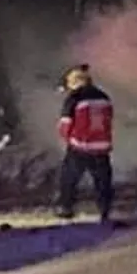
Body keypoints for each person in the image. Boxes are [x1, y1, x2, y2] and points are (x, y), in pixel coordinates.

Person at [55, 64, 115, 222]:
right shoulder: (104, 97)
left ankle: (66, 208)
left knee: (68, 178)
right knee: (103, 181)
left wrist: (68, 139)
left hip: (80, 147)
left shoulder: (74, 98)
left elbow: (65, 126)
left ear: (74, 81)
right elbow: (108, 121)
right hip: (102, 148)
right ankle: (105, 210)